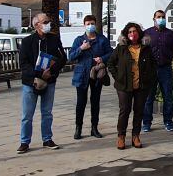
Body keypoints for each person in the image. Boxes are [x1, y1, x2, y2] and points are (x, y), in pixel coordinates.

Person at [17, 13, 66, 154]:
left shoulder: (54, 39)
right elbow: (24, 64)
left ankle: (47, 139)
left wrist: (52, 70)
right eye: (45, 22)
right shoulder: (27, 41)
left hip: (49, 80)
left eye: (49, 21)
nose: (48, 24)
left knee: (47, 112)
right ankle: (24, 142)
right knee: (27, 114)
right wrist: (37, 74)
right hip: (31, 82)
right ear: (36, 24)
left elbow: (62, 58)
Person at [107, 22, 156, 150]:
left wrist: (149, 79)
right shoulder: (121, 48)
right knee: (124, 111)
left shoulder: (146, 48)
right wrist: (118, 77)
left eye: (134, 31)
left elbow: (153, 65)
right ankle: (121, 136)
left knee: (139, 111)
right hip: (124, 86)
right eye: (129, 32)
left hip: (141, 85)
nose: (132, 34)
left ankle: (135, 136)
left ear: (139, 33)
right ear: (126, 34)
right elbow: (111, 63)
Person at [68, 14, 113, 140]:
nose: (90, 26)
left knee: (95, 101)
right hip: (81, 74)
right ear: (84, 25)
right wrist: (81, 48)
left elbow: (111, 53)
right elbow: (71, 56)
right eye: (88, 24)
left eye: (92, 23)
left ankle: (94, 128)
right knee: (81, 102)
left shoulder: (102, 39)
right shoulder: (79, 40)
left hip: (97, 74)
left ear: (96, 24)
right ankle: (78, 128)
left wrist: (102, 58)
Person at [142, 9, 173, 132]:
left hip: (165, 69)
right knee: (148, 98)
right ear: (154, 18)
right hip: (150, 70)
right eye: (158, 17)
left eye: (163, 17)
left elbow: (172, 50)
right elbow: (143, 51)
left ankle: (168, 122)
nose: (161, 19)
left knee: (168, 96)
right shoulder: (146, 33)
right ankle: (146, 123)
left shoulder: (170, 34)